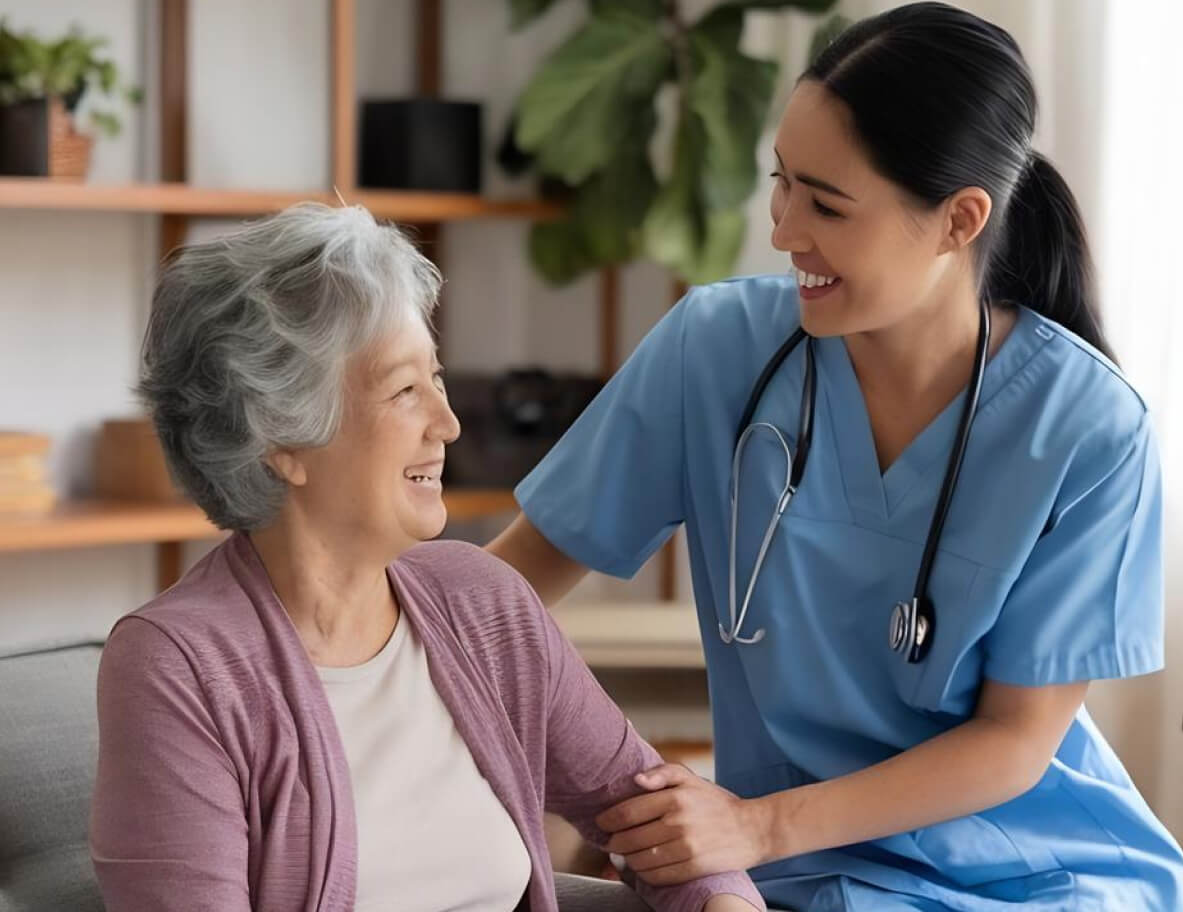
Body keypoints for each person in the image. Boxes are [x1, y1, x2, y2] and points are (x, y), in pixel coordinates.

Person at [487, 3, 1183, 909]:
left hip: (1037, 874)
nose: (784, 229)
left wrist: (756, 827)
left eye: (826, 204)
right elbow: (500, 595)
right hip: (804, 876)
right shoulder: (715, 349)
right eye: (782, 182)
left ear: (959, 220)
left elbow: (1016, 741)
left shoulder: (1090, 428)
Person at [89, 203, 764, 912]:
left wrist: (726, 904)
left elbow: (667, 827)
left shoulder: (485, 603)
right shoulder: (179, 667)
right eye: (405, 390)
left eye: (435, 379)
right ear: (282, 440)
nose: (448, 423)